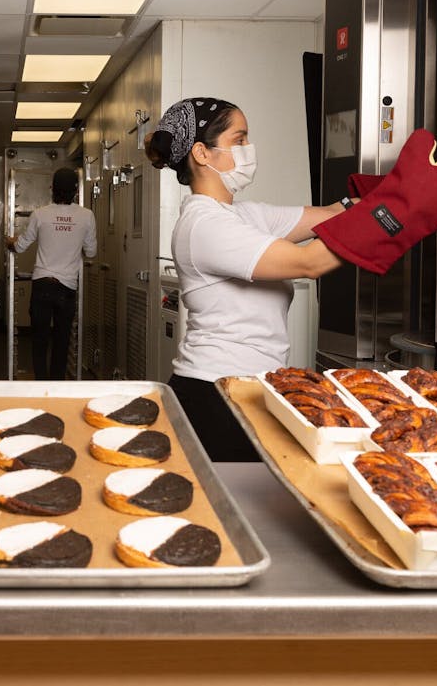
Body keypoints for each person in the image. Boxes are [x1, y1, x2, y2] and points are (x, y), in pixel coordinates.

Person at [145, 97, 349, 461]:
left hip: (251, 388)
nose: (248, 150)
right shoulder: (204, 225)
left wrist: (397, 191)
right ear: (202, 154)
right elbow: (308, 262)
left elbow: (334, 216)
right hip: (215, 395)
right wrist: (394, 216)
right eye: (239, 140)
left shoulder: (245, 215)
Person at [6, 167, 97, 380]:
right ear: (76, 190)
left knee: (39, 339)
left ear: (52, 189)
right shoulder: (86, 216)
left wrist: (11, 241)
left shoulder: (40, 214)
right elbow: (91, 252)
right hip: (67, 288)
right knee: (62, 339)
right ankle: (57, 384)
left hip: (42, 286)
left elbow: (19, 247)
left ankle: (40, 384)